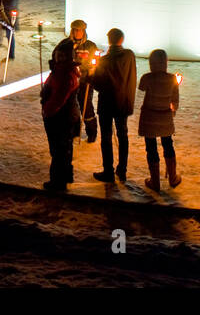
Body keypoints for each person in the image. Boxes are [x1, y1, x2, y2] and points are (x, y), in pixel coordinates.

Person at [89, 28, 137, 182]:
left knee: (106, 137)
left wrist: (91, 73)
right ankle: (122, 169)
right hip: (123, 102)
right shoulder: (130, 56)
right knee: (123, 136)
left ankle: (108, 170)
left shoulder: (104, 61)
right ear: (122, 40)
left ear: (109, 40)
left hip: (107, 104)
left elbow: (97, 84)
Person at [41, 33, 83, 191]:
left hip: (61, 117)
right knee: (65, 148)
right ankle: (65, 176)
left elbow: (58, 99)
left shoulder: (66, 75)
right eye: (57, 54)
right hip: (65, 116)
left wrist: (47, 110)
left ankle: (58, 181)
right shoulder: (62, 70)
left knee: (59, 150)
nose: (58, 57)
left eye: (62, 55)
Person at [138, 49, 181, 191]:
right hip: (165, 118)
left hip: (149, 118)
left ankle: (155, 181)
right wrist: (172, 112)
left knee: (151, 148)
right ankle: (173, 177)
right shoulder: (172, 79)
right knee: (168, 145)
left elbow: (140, 94)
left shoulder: (147, 78)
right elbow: (175, 102)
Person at [63, 19, 100, 141]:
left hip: (85, 81)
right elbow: (57, 59)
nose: (78, 32)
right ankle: (74, 132)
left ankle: (91, 132)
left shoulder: (90, 46)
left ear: (84, 31)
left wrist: (92, 70)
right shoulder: (65, 44)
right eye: (76, 30)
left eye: (80, 30)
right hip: (70, 81)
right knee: (72, 108)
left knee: (86, 106)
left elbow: (97, 61)